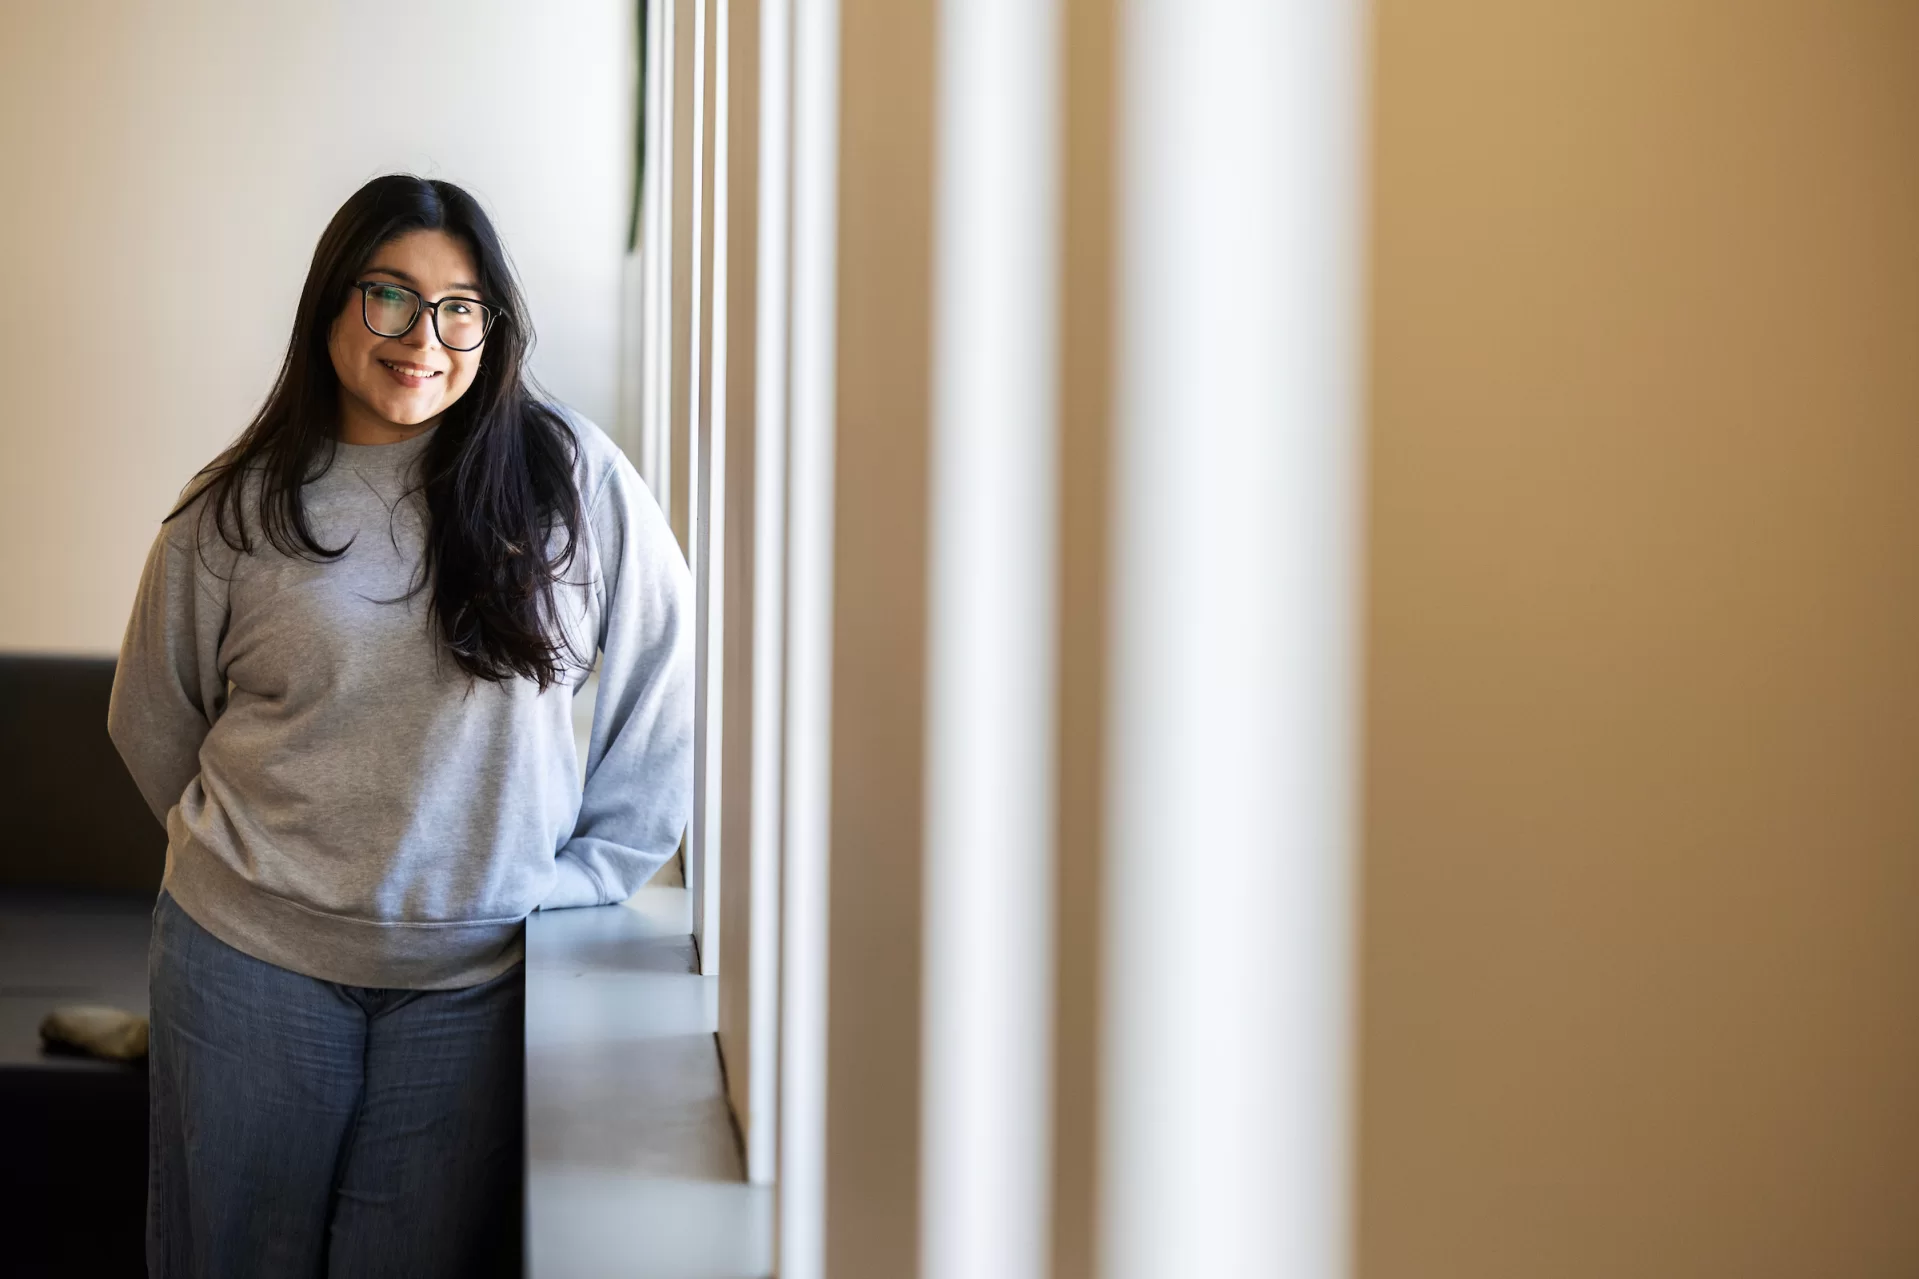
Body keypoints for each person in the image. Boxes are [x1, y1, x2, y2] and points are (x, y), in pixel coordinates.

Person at [107, 173, 693, 1278]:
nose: (422, 336)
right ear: (331, 304)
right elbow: (151, 712)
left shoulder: (567, 477)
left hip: (470, 985)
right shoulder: (233, 505)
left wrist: (581, 871)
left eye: (458, 307)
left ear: (492, 325)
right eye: (388, 296)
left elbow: (669, 674)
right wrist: (267, 868)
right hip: (244, 970)